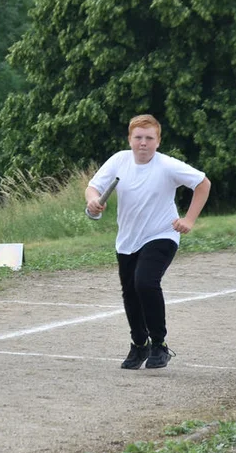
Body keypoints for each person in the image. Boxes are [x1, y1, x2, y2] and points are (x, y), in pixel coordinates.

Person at [86, 114, 212, 370]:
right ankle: (139, 344)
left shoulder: (167, 165)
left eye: (149, 138)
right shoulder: (119, 160)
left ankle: (159, 345)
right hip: (128, 240)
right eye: (138, 137)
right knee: (130, 292)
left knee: (145, 282)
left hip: (162, 234)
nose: (143, 143)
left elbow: (203, 183)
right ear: (130, 139)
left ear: (158, 141)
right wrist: (93, 201)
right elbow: (93, 187)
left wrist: (189, 219)